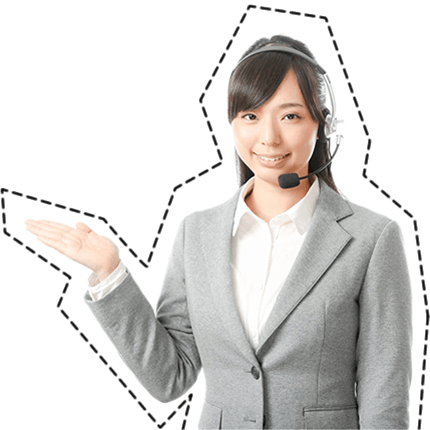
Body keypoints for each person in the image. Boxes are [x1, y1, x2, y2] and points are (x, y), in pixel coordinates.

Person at [25, 35, 412, 429]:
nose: (268, 137)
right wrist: (110, 272)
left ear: (322, 124)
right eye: (250, 116)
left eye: (291, 116)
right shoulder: (197, 234)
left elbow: (385, 398)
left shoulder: (371, 239)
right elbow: (170, 377)